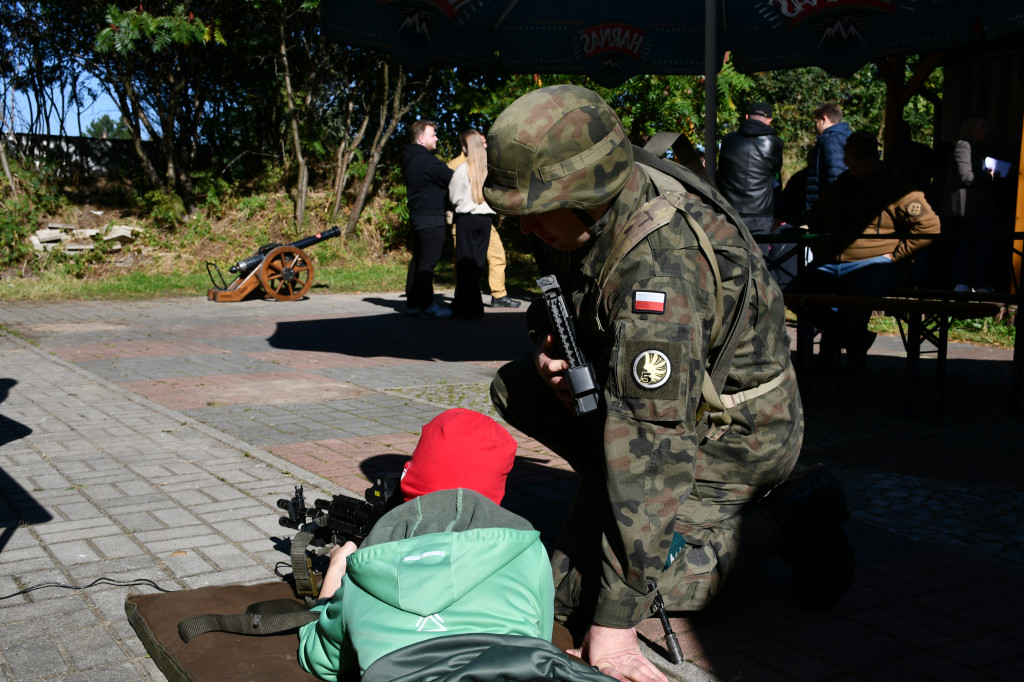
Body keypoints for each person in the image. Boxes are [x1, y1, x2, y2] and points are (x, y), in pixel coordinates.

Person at [484, 85, 853, 682]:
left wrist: (616, 622)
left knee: (594, 594)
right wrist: (548, 349)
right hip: (662, 409)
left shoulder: (661, 267)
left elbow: (654, 444)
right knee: (518, 387)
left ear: (586, 191)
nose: (520, 227)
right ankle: (623, 505)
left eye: (530, 209)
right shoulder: (583, 215)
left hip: (735, 436)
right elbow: (565, 300)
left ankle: (790, 514)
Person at [298, 408, 615, 682]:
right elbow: (537, 638)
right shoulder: (529, 553)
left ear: (412, 476)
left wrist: (336, 575)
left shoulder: (366, 567)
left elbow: (320, 658)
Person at [787, 131, 941, 367]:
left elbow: (928, 226)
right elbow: (816, 221)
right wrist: (823, 249)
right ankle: (848, 335)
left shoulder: (896, 187)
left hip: (876, 262)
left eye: (872, 154)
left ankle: (838, 340)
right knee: (793, 293)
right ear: (848, 158)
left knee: (858, 292)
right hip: (832, 262)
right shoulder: (837, 188)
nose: (868, 159)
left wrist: (896, 256)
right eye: (861, 155)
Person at [717, 101, 794, 285]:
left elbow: (721, 175)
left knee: (730, 263)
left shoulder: (728, 141)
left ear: (746, 118)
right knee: (758, 266)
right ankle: (758, 306)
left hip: (730, 212)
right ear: (769, 120)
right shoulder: (774, 143)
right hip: (761, 214)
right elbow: (775, 178)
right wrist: (780, 213)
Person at [448, 142, 523, 310]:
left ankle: (499, 295)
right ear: (468, 146)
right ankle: (461, 298)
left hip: (485, 220)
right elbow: (452, 194)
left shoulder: (486, 166)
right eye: (481, 143)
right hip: (464, 219)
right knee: (463, 262)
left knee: (497, 256)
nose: (485, 146)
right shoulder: (457, 166)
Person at [403, 119, 454, 319]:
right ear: (422, 138)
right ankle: (427, 305)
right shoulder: (427, 161)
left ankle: (414, 303)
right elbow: (453, 178)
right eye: (433, 134)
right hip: (431, 218)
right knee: (427, 264)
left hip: (418, 216)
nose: (437, 138)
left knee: (418, 260)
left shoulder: (411, 158)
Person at [941, 114, 998, 293]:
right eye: (983, 125)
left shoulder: (973, 147)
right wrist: (988, 177)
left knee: (967, 245)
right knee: (978, 244)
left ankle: (965, 283)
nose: (986, 130)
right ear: (971, 128)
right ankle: (975, 284)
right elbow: (966, 176)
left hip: (973, 208)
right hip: (967, 209)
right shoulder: (964, 146)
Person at [448, 129, 496, 318]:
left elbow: (454, 197)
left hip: (467, 219)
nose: (462, 148)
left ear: (469, 148)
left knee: (464, 263)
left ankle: (467, 307)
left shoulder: (462, 170)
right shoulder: (490, 170)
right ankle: (468, 305)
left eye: (464, 145)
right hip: (485, 219)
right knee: (477, 263)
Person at [804, 102, 851, 221]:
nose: (816, 127)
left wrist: (829, 206)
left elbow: (835, 173)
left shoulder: (831, 139)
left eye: (816, 122)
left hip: (827, 209)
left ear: (824, 119)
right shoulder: (844, 137)